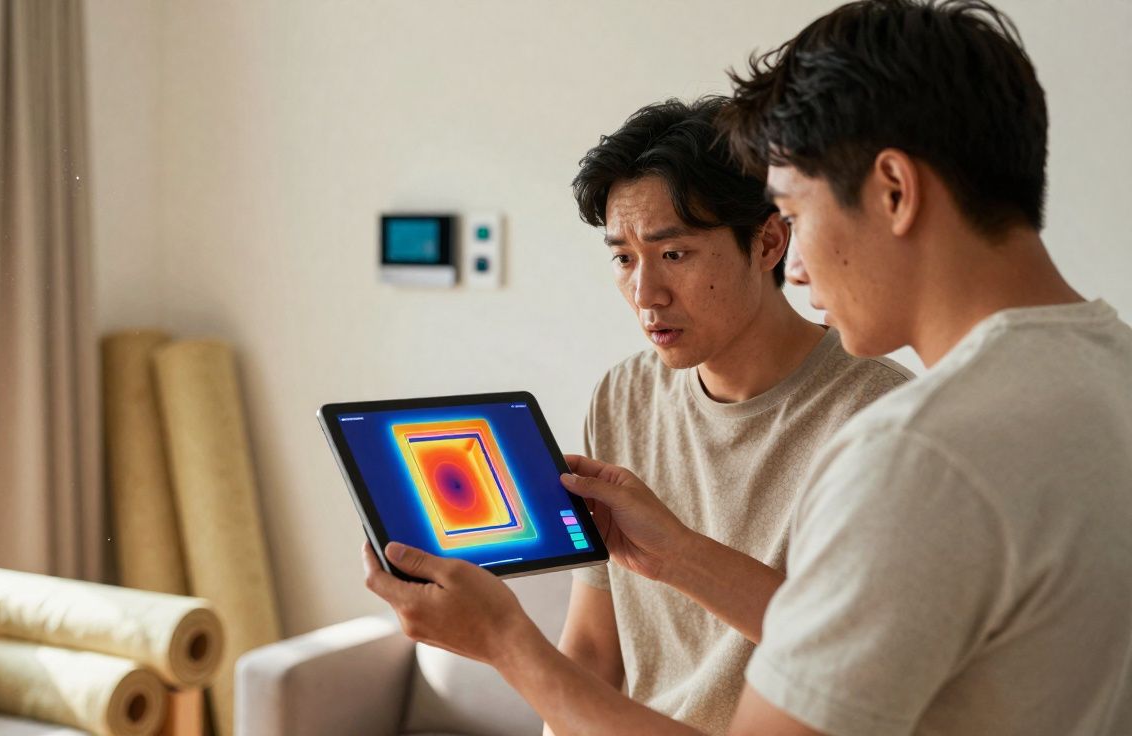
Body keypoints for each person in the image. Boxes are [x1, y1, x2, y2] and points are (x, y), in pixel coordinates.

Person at [364, 1, 1132, 734]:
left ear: (894, 191)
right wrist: (677, 556)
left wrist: (505, 642)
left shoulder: (917, 452)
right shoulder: (1110, 373)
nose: (795, 268)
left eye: (795, 216)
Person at [553, 96, 909, 735]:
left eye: (675, 254)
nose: (646, 295)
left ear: (769, 241)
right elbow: (592, 648)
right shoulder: (620, 397)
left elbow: (857, 662)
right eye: (623, 258)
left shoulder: (879, 416)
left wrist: (501, 639)